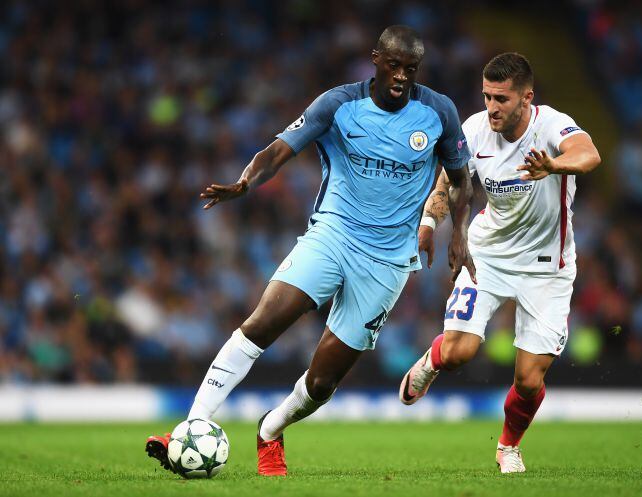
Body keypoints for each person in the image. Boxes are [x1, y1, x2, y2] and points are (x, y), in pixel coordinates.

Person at [145, 25, 475, 476]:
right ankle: (189, 427)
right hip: (332, 237)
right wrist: (245, 182)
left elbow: (460, 180)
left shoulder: (439, 112)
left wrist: (459, 233)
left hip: (388, 261)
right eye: (394, 65)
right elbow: (278, 150)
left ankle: (271, 429)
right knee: (261, 323)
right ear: (376, 59)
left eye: (411, 69)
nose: (401, 76)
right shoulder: (338, 104)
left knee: (322, 383)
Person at [398, 52, 601, 473]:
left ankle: (508, 445)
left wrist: (554, 165)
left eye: (502, 99)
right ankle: (431, 361)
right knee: (458, 353)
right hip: (487, 254)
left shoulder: (552, 126)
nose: (491, 107)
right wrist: (428, 225)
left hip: (548, 267)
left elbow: (589, 154)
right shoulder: (473, 129)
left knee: (529, 380)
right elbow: (449, 186)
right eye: (487, 96)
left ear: (527, 97)